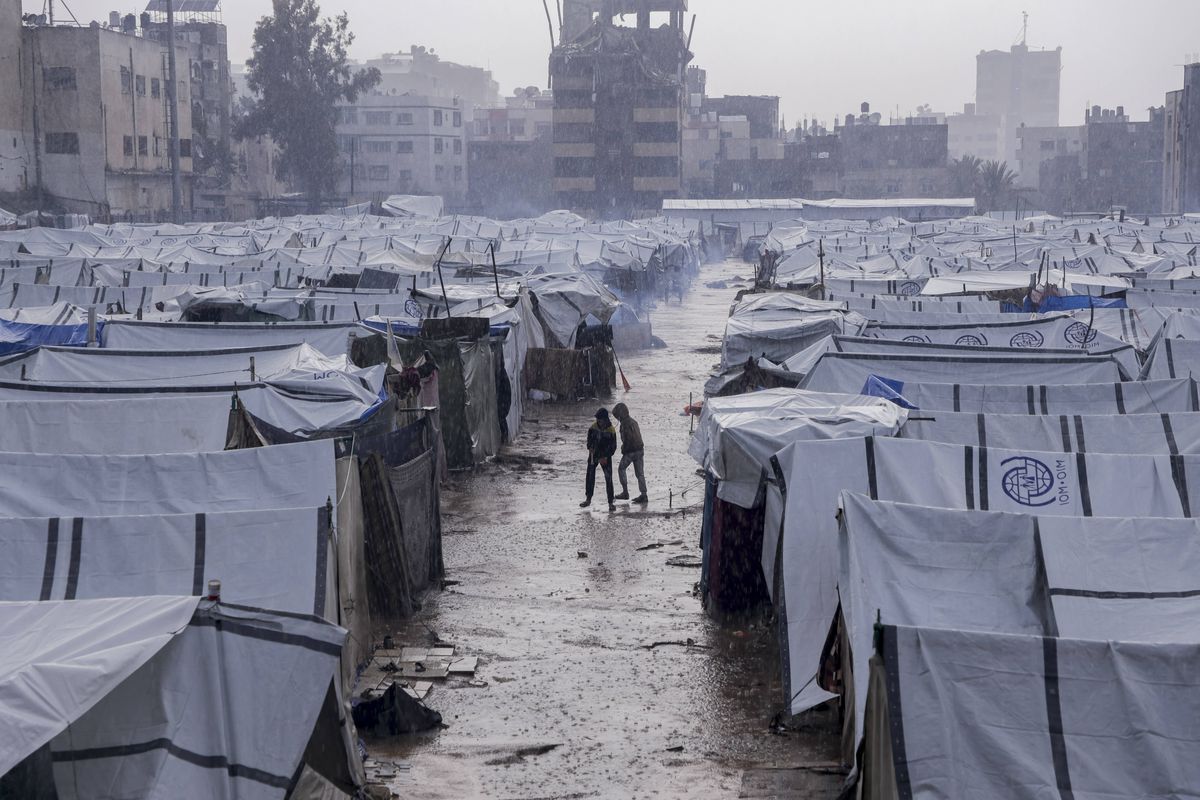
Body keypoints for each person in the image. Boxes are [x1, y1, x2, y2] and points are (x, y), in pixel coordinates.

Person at [581, 408, 618, 511]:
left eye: (600, 419)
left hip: (605, 457)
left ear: (605, 419)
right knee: (590, 476)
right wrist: (590, 448)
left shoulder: (611, 430)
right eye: (597, 419)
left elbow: (613, 447)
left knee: (608, 478)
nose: (598, 421)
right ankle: (588, 499)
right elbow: (588, 441)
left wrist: (605, 457)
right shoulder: (593, 427)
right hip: (594, 455)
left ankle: (610, 503)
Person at [612, 403, 648, 504]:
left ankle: (625, 492)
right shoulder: (634, 422)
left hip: (631, 451)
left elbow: (628, 440)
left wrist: (624, 449)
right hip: (640, 450)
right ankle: (644, 494)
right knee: (640, 473)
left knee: (621, 468)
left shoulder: (625, 425)